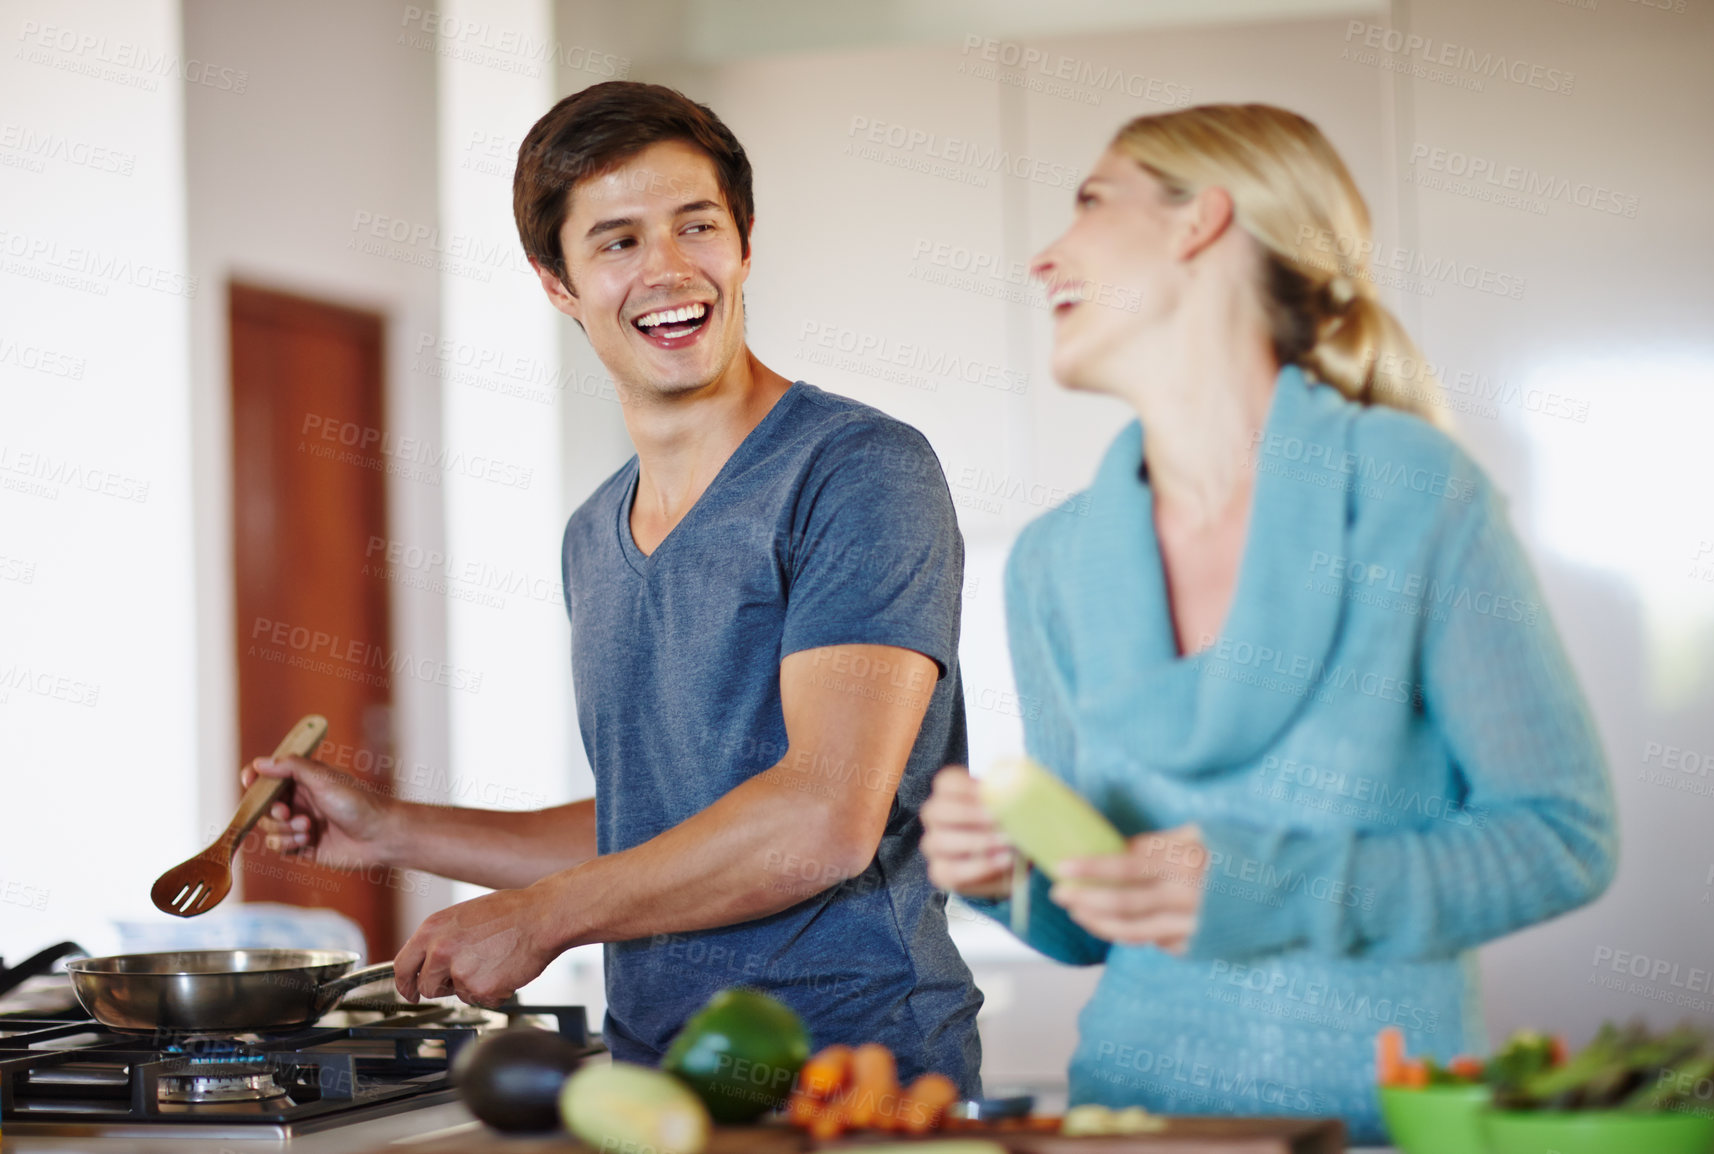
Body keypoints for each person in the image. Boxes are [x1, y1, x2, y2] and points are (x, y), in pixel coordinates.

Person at [244, 81, 983, 1093]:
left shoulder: (858, 471)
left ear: (746, 240)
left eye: (697, 225)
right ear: (557, 280)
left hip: (853, 1077)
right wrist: (390, 826)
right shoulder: (593, 533)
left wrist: (544, 914)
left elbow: (821, 818)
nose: (668, 269)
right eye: (618, 240)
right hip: (653, 1075)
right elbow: (657, 826)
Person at [918, 103, 1615, 1142]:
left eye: (1091, 203)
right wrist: (1002, 876)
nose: (1042, 257)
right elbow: (1092, 922)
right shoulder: (1054, 563)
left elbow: (1561, 838)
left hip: (1375, 1125)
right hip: (1130, 1121)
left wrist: (1266, 882)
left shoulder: (1415, 495)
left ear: (1200, 221)